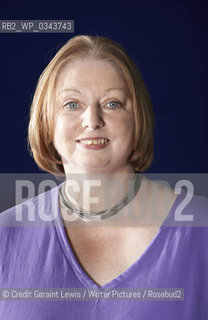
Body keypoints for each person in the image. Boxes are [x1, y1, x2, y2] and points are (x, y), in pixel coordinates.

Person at [0, 35, 207, 319]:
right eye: (72, 104)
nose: (92, 120)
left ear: (138, 120)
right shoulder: (4, 237)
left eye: (112, 104)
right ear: (47, 123)